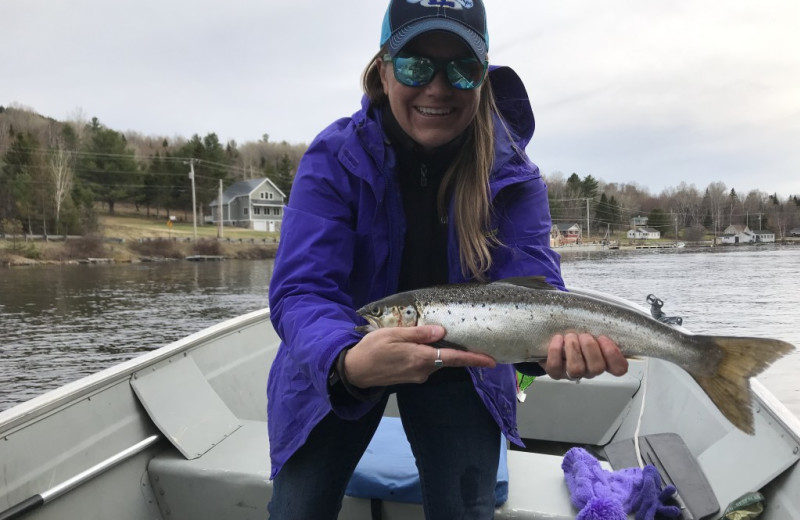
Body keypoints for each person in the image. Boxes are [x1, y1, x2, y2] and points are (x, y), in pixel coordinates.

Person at [266, 1, 628, 518]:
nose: (438, 86)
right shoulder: (332, 159)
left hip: (470, 367)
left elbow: (534, 288)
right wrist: (346, 362)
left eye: (462, 68)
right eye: (416, 64)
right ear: (383, 69)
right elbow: (302, 292)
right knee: (297, 510)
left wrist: (547, 351)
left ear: (483, 77)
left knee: (466, 509)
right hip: (337, 356)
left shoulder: (515, 177)